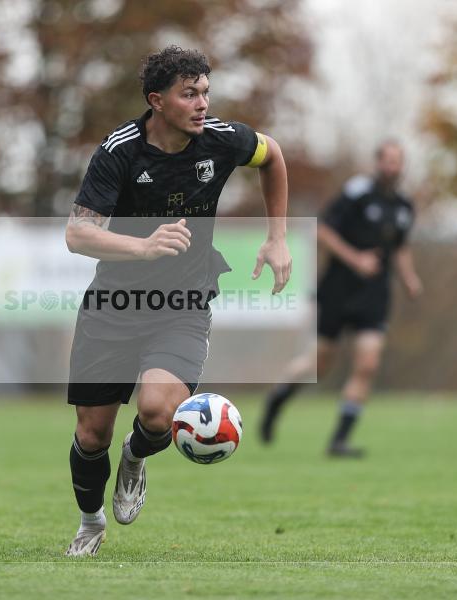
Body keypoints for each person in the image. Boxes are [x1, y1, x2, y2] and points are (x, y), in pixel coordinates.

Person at [63, 46, 291, 556]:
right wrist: (142, 247)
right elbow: (77, 234)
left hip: (182, 304)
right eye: (189, 94)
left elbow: (272, 155)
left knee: (158, 413)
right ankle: (90, 520)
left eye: (206, 91)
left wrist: (277, 237)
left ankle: (137, 458)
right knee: (91, 432)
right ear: (157, 101)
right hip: (114, 305)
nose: (202, 103)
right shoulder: (118, 152)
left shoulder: (223, 140)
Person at [260, 140, 422, 457]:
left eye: (397, 161)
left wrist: (409, 278)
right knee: (317, 364)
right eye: (386, 160)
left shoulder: (404, 206)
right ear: (377, 163)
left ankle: (339, 441)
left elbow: (400, 247)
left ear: (402, 166)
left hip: (375, 294)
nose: (391, 167)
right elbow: (323, 232)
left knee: (368, 364)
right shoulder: (357, 194)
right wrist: (356, 259)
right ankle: (277, 399)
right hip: (339, 289)